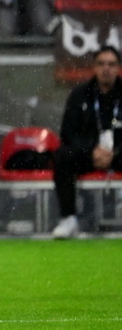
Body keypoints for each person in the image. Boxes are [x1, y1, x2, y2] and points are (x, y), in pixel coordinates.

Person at [52, 46, 122, 239]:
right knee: (63, 156)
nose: (106, 69)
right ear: (94, 67)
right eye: (101, 64)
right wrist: (92, 151)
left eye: (111, 64)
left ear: (118, 68)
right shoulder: (80, 94)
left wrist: (114, 153)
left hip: (118, 155)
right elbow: (68, 133)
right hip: (89, 155)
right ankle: (68, 219)